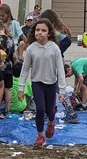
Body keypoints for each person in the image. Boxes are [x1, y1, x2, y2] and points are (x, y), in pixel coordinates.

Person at [18, 17, 66, 147]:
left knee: (49, 110)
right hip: (37, 83)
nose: (40, 32)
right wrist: (21, 88)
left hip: (51, 84)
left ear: (49, 33)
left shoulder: (54, 48)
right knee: (40, 109)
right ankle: (40, 135)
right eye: (37, 30)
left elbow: (60, 70)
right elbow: (25, 69)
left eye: (43, 30)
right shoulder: (31, 49)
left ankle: (51, 121)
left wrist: (62, 90)